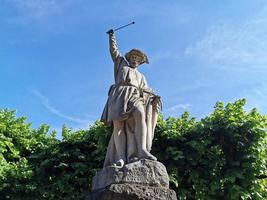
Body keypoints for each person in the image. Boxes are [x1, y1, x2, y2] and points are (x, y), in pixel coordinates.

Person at [101, 29, 161, 168]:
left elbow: (146, 90)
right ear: (129, 58)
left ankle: (142, 150)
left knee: (141, 116)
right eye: (133, 57)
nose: (135, 60)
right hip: (119, 95)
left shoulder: (141, 77)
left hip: (135, 96)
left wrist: (154, 97)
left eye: (138, 59)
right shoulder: (121, 63)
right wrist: (112, 37)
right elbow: (114, 51)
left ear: (140, 62)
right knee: (118, 126)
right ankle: (121, 158)